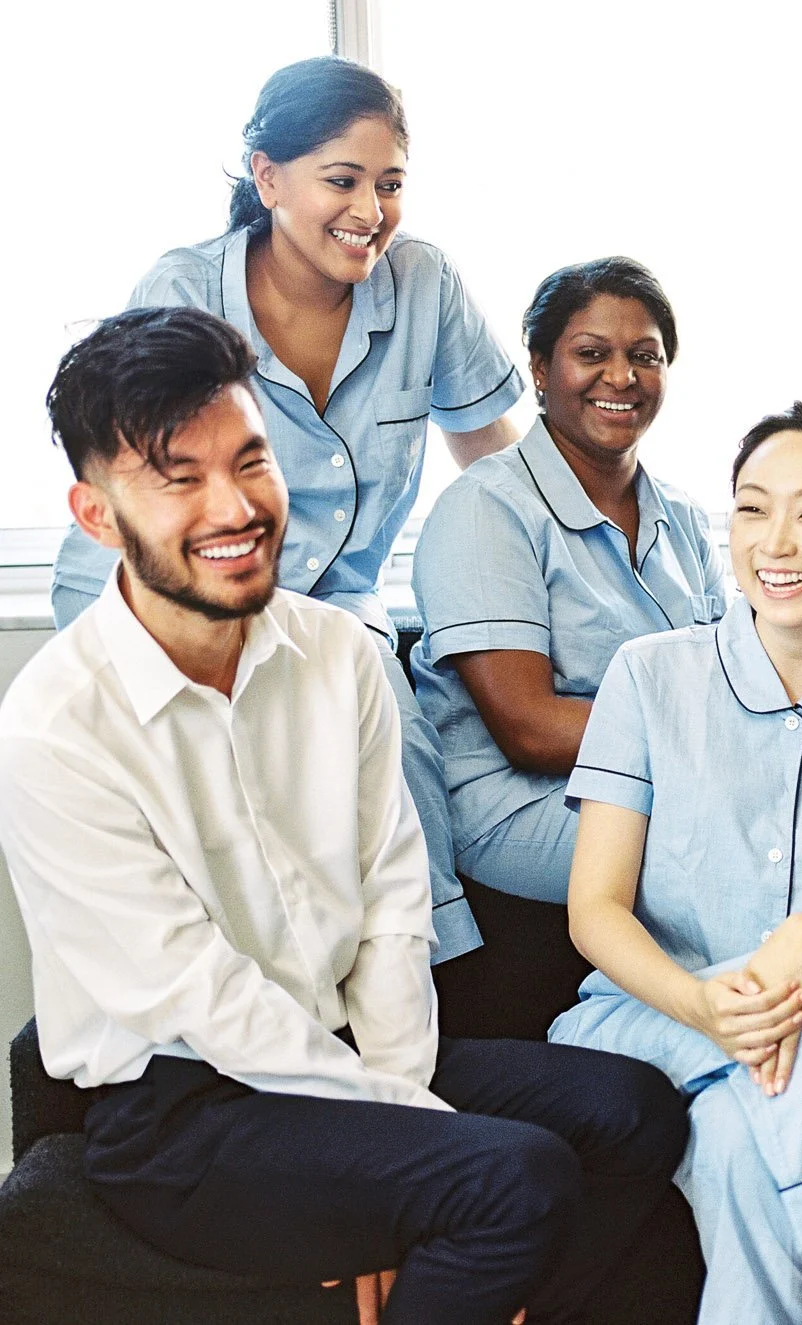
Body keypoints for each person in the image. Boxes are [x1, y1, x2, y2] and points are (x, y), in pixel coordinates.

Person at [2, 307, 685, 1325]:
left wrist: (399, 1145)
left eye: (250, 461)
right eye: (177, 478)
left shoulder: (340, 654)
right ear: (96, 513)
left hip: (354, 1039)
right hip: (182, 1109)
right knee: (515, 1180)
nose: (234, 506)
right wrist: (405, 1155)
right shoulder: (54, 726)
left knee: (638, 1113)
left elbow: (394, 904)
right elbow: (203, 994)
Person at [49, 56, 525, 960]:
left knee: (389, 720)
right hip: (167, 592)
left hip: (331, 606)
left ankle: (430, 989)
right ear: (267, 177)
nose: (369, 210)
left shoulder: (424, 284)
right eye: (340, 180)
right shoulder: (184, 292)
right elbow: (146, 497)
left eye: (389, 184)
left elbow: (501, 474)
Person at [548, 402, 802, 1325]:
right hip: (644, 1020)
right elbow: (597, 911)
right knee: (800, 1031)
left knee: (745, 1138)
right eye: (751, 508)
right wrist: (706, 1004)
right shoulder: (648, 676)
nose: (775, 540)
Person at [410, 258, 724, 1032]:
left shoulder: (682, 518)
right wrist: (715, 740)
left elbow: (731, 674)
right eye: (591, 354)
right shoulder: (486, 510)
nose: (621, 375)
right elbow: (529, 727)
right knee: (751, 849)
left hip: (659, 783)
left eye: (644, 356)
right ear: (541, 371)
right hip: (518, 806)